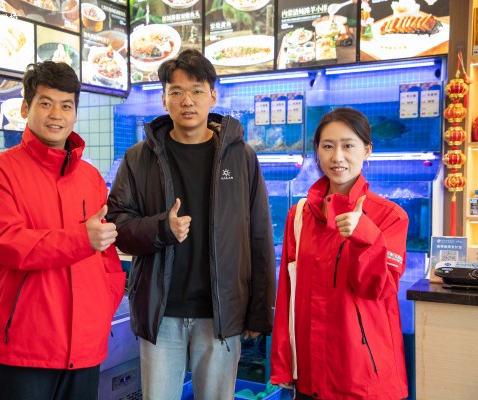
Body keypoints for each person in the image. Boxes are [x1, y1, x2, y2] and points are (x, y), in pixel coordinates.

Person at [106, 49, 276, 400]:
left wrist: (259, 312)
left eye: (197, 90)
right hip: (161, 311)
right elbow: (118, 225)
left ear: (212, 96)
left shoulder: (241, 157)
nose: (187, 101)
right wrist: (162, 230)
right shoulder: (138, 158)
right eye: (177, 91)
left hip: (221, 311)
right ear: (164, 99)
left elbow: (259, 235)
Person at [0, 61, 125, 400]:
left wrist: (102, 307)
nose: (56, 114)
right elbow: (8, 245)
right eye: (46, 103)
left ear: (75, 113)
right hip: (25, 346)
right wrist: (81, 239)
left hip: (85, 344)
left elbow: (106, 256)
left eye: (66, 105)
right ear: (25, 108)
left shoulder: (90, 178)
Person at [270, 107, 409, 399]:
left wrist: (366, 238)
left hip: (363, 377)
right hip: (309, 374)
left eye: (348, 146)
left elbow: (377, 289)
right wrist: (283, 364)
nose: (337, 157)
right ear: (317, 152)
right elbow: (287, 294)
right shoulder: (299, 215)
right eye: (328, 146)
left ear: (367, 150)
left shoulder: (390, 216)